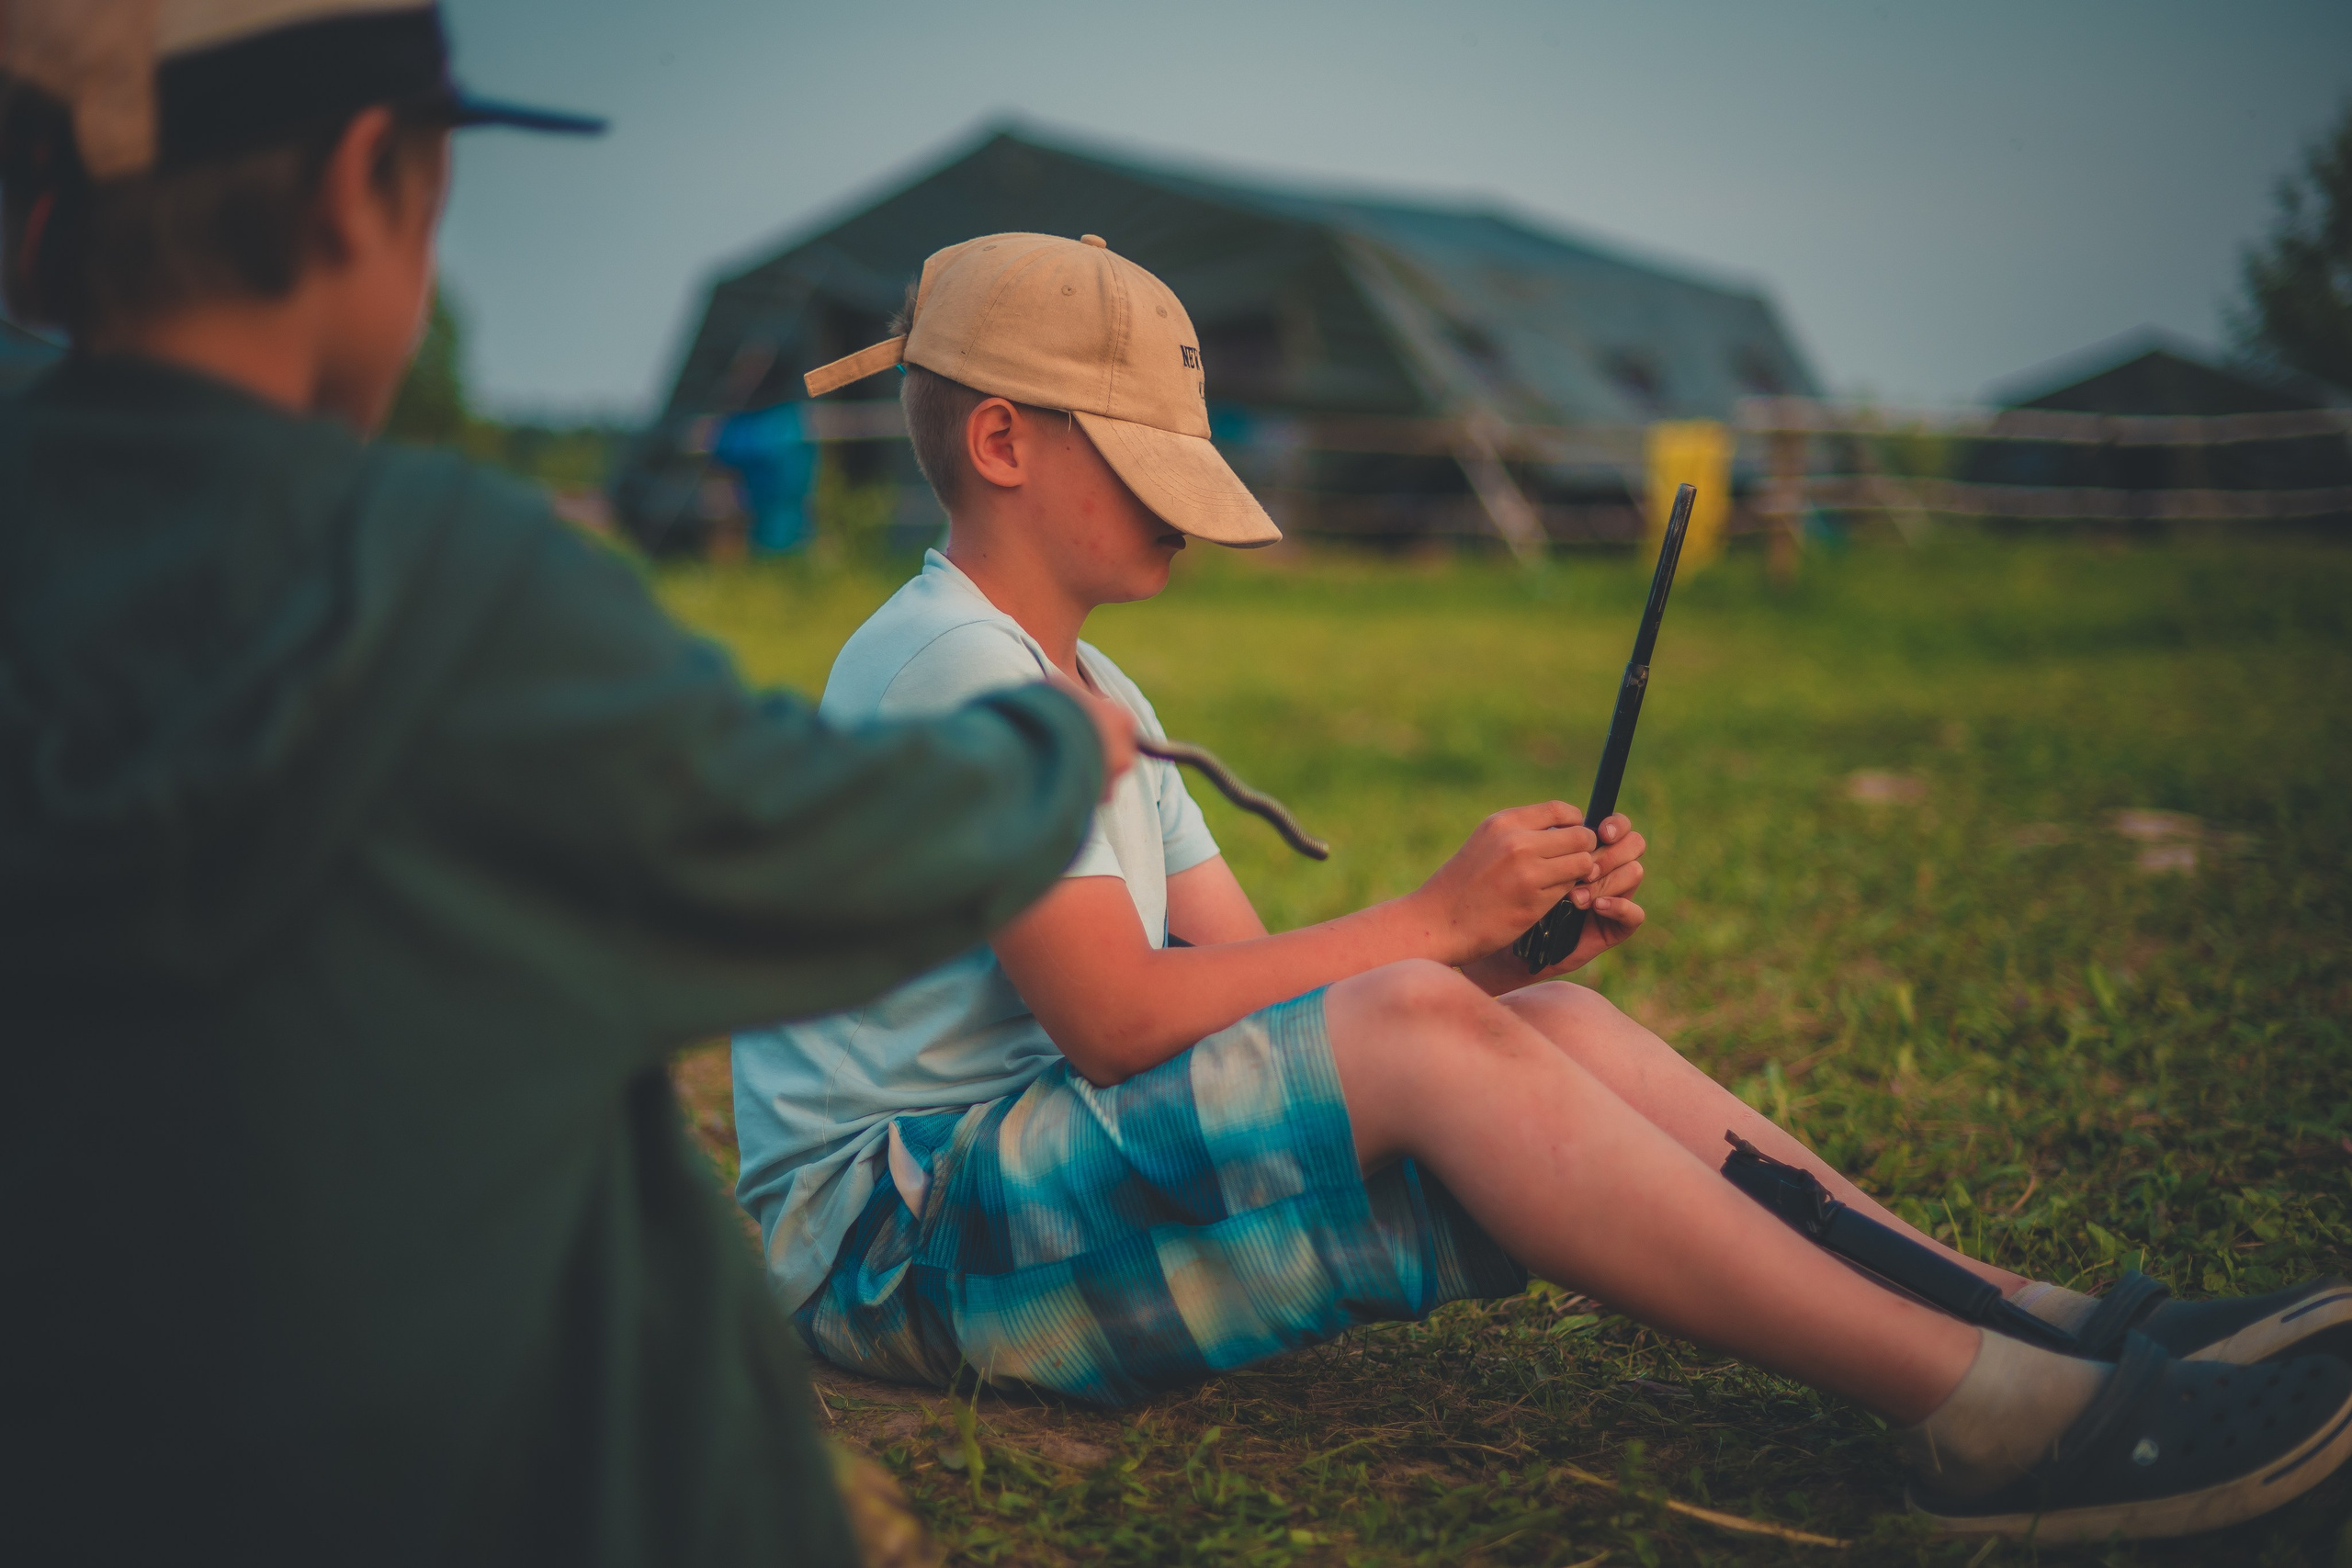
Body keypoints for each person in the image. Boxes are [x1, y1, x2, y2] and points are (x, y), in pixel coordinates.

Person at [733, 230, 2352, 1544]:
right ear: (1003, 442)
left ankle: (2046, 1327)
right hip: (886, 1234)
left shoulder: (1099, 691)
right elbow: (1113, 1021)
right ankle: (1996, 1418)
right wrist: (1430, 932)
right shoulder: (957, 668)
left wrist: (1496, 962)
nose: (1184, 495)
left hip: (992, 1192)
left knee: (1536, 1023)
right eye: (1143, 451)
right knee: (1424, 1028)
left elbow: (1259, 987)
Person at [0, 6, 1137, 1564]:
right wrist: (1048, 747)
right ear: (362, 183)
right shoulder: (449, 588)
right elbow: (824, 858)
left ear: (44, 226)